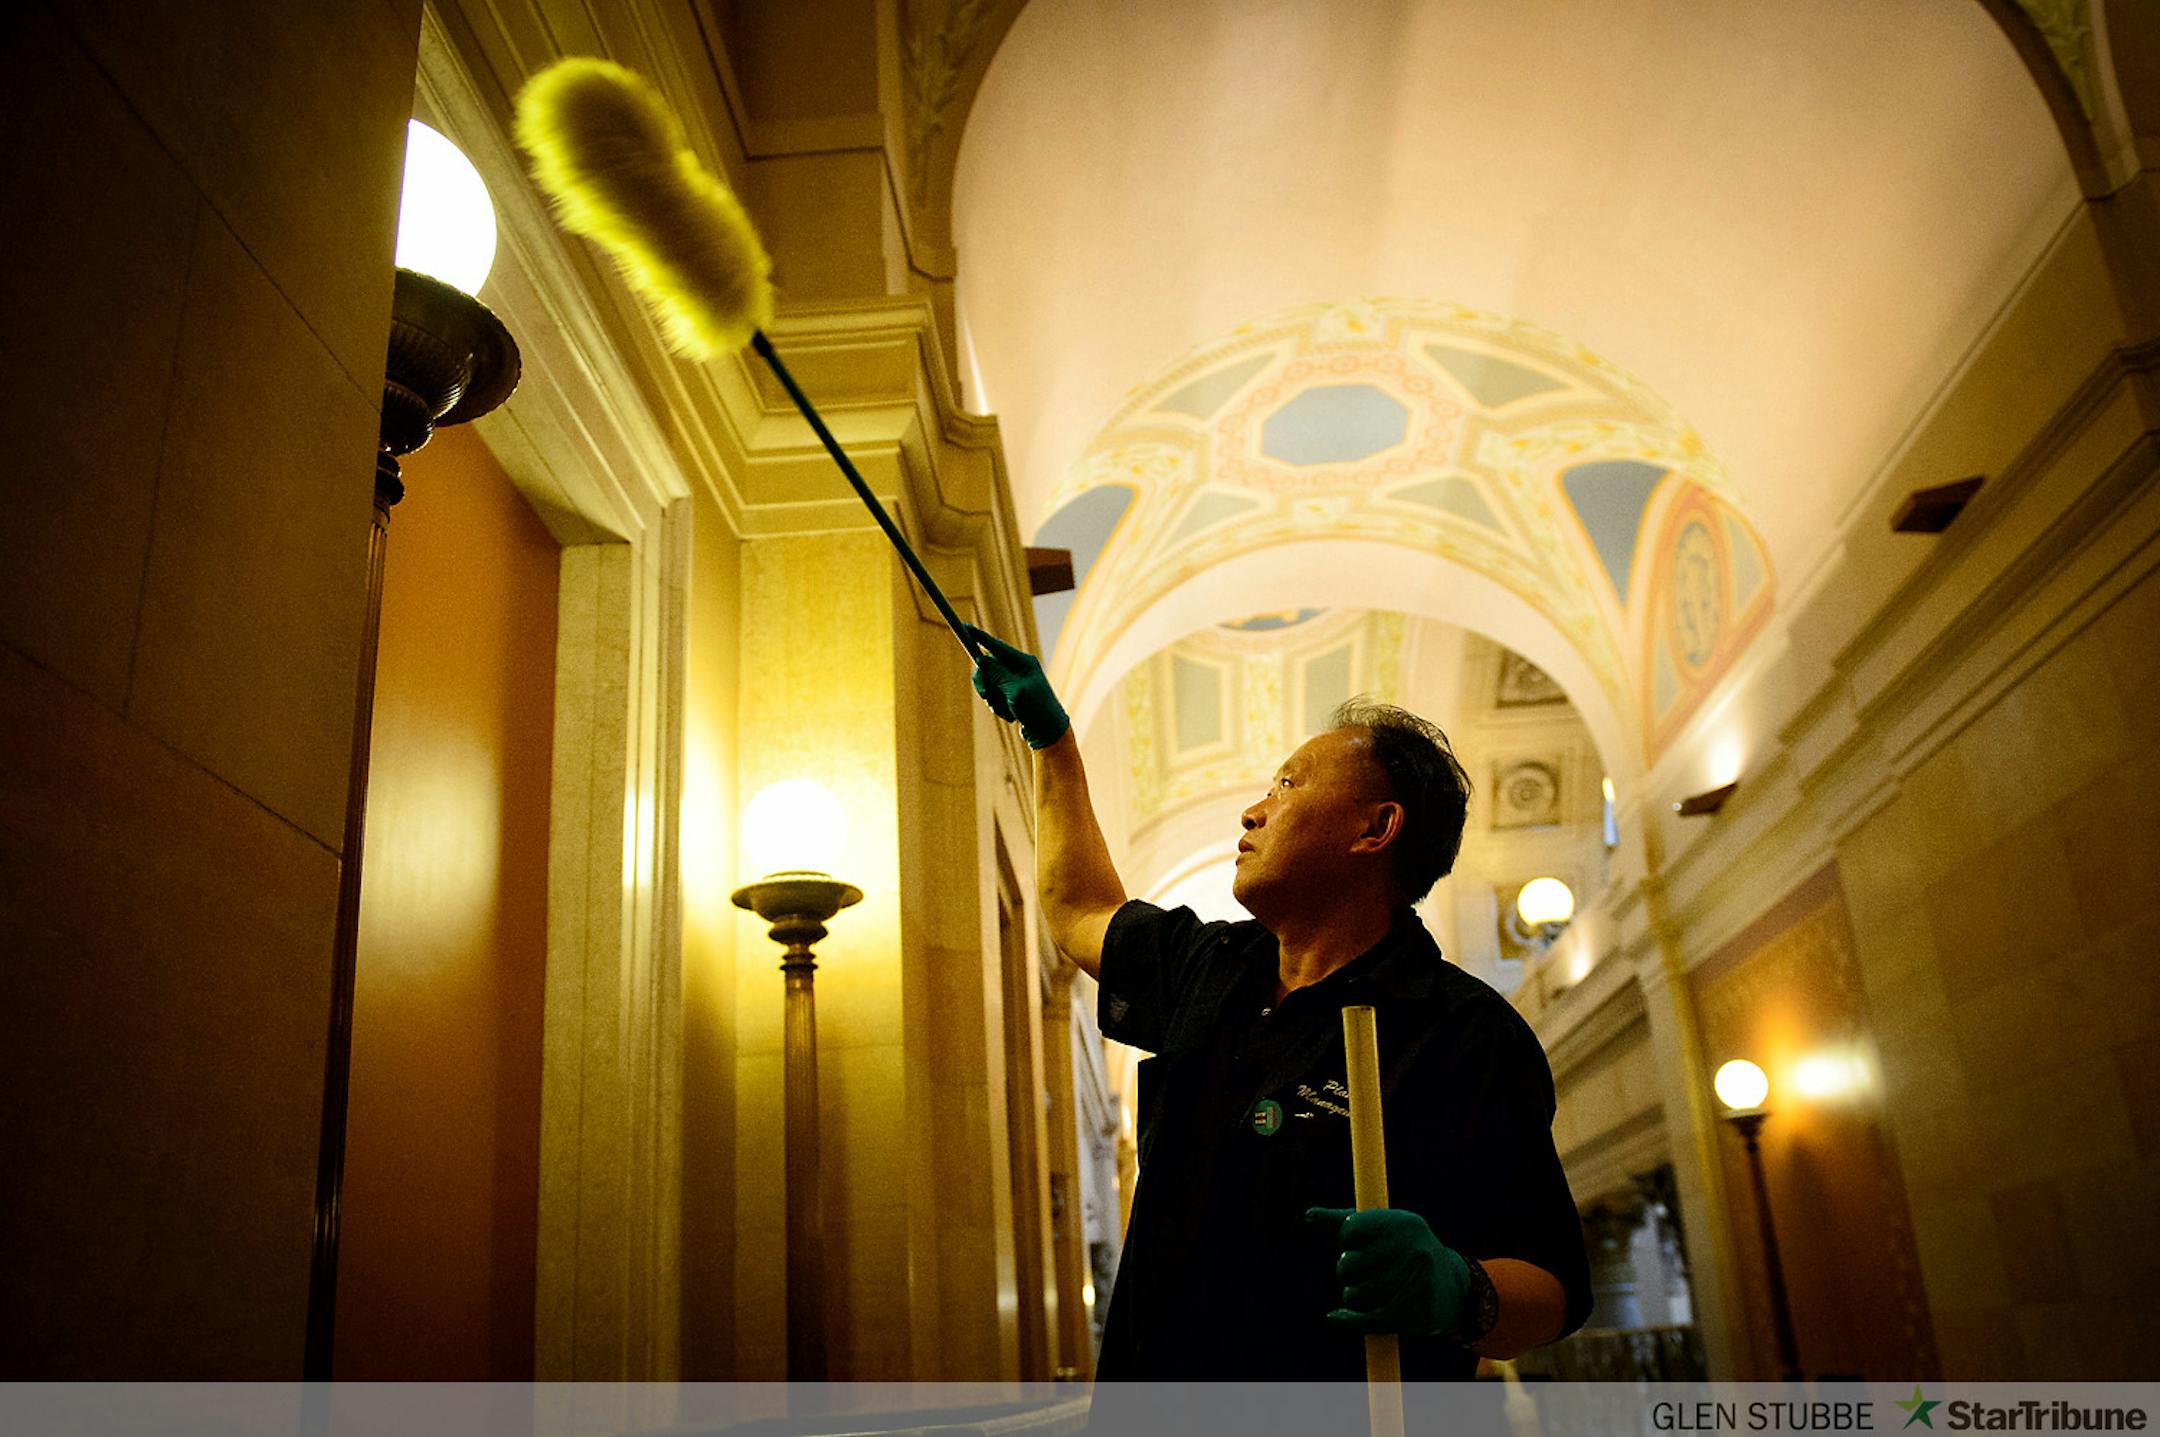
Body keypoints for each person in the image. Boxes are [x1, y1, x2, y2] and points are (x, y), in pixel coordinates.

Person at [965, 625, 1592, 1383]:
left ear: (1375, 827)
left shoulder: (1466, 1033)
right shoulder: (1212, 966)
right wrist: (1053, 740)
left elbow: (1555, 1289)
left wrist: (1458, 1288)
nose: (1252, 812)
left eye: (1288, 786)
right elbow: (1077, 911)